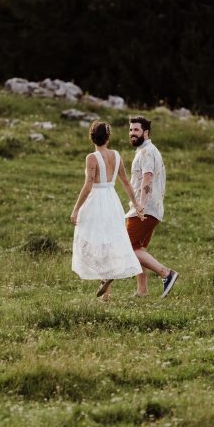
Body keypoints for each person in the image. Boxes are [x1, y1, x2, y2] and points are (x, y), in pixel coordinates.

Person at [98, 116, 179, 299]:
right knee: (137, 250)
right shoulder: (144, 151)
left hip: (144, 209)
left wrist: (140, 204)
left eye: (136, 130)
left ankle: (166, 274)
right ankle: (142, 291)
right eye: (130, 130)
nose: (132, 134)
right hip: (147, 209)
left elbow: (147, 178)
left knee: (126, 247)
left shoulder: (147, 152)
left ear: (146, 132)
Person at [71, 121, 144, 297]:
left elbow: (88, 185)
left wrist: (76, 209)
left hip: (96, 200)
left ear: (92, 137)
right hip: (112, 200)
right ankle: (106, 290)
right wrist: (136, 204)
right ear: (108, 137)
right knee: (109, 239)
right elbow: (126, 182)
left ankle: (105, 280)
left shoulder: (92, 157)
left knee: (92, 239)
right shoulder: (116, 155)